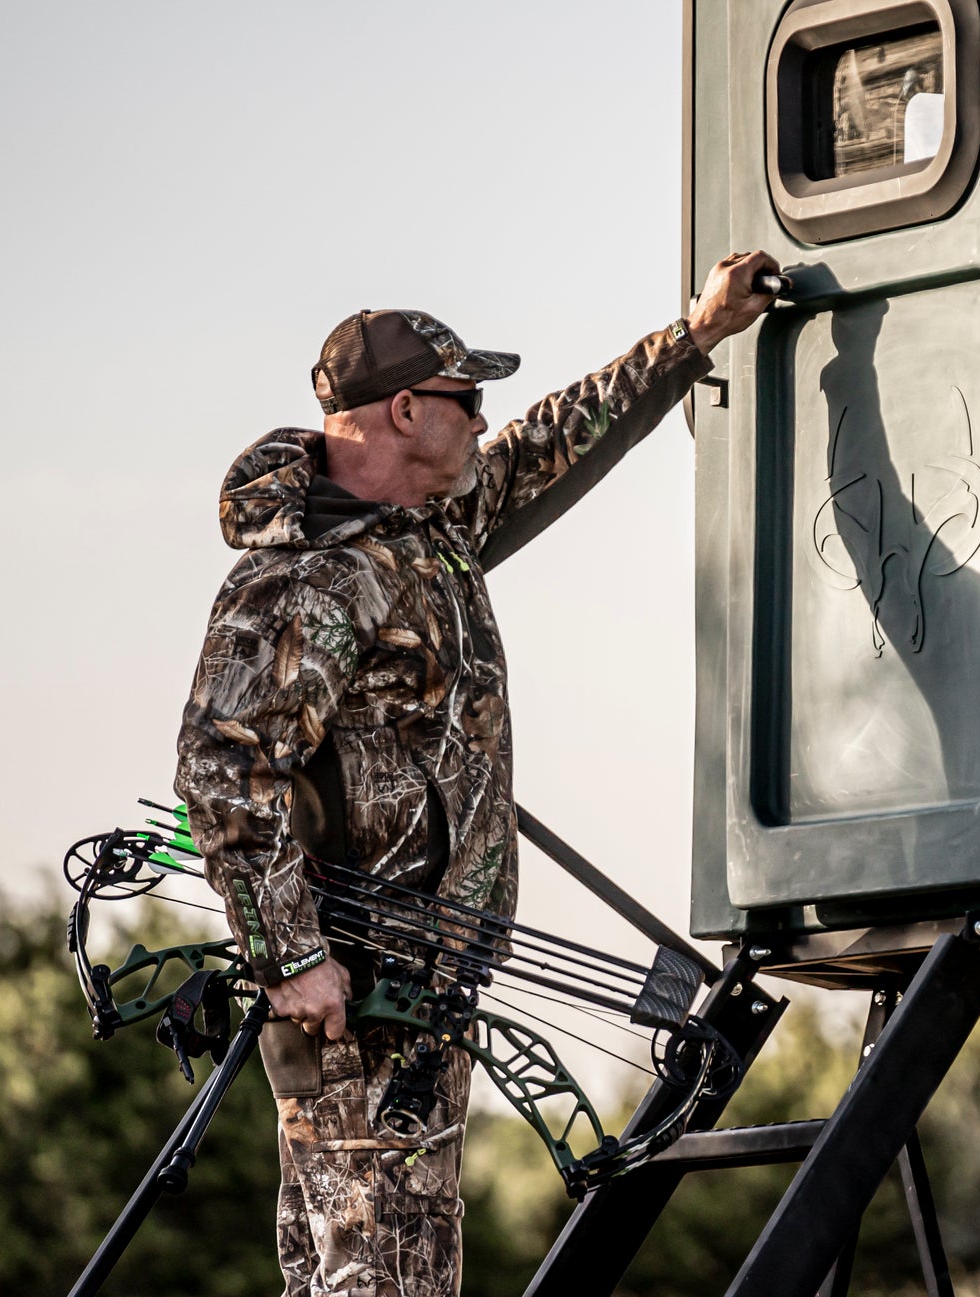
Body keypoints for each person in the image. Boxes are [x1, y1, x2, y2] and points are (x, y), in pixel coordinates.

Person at [172, 250, 778, 1295]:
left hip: (423, 987)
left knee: (378, 1273)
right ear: (405, 410)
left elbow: (552, 441)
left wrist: (695, 334)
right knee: (379, 1278)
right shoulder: (310, 574)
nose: (484, 419)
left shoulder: (430, 531)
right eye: (466, 400)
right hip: (356, 996)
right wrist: (290, 956)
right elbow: (223, 767)